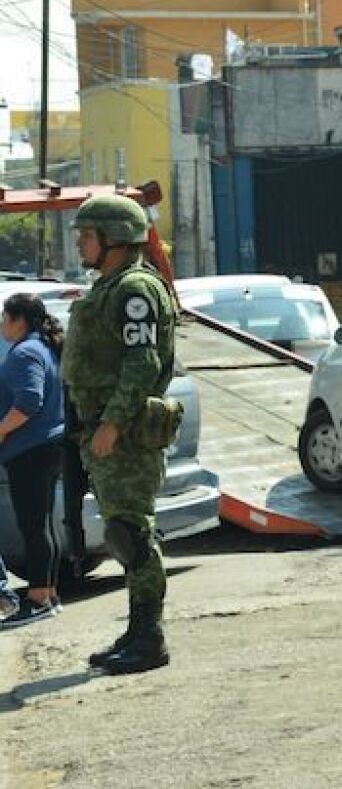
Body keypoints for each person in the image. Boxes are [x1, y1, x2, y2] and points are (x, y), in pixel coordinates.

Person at [63, 194, 181, 675]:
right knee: (123, 532)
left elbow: (142, 363)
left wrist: (112, 423)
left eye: (86, 236)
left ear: (113, 239)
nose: (80, 245)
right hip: (106, 429)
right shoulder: (111, 287)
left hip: (127, 433)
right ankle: (137, 631)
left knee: (132, 533)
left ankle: (149, 638)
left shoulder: (133, 289)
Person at [0, 294, 67, 629]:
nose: (1, 325)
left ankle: (39, 597)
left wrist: (1, 430)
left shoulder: (25, 352)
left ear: (19, 320)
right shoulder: (42, 347)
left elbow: (29, 400)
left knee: (32, 527)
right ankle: (50, 593)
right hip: (47, 447)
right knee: (41, 526)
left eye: (4, 318)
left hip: (29, 450)